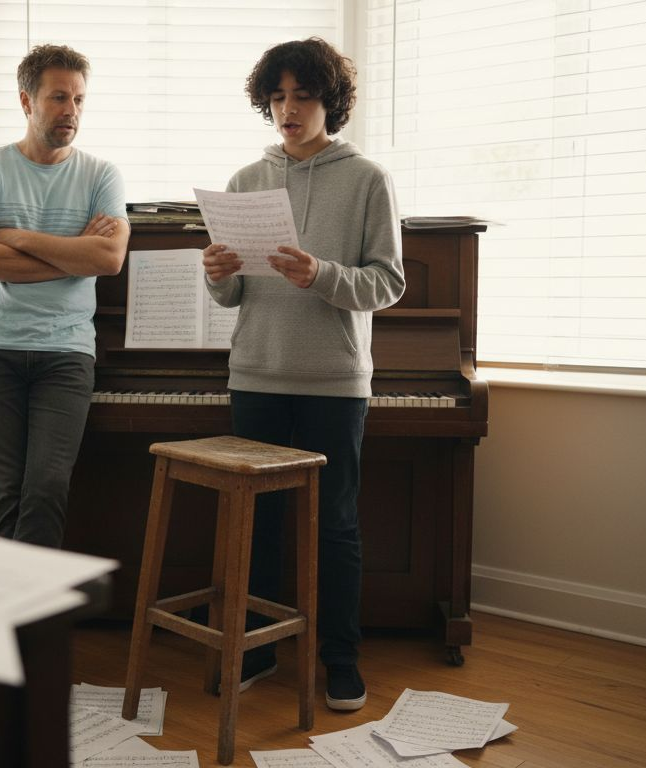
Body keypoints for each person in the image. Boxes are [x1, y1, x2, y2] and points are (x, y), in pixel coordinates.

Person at [202, 37, 405, 711]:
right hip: (255, 373)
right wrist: (218, 277)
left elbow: (390, 282)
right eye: (278, 96)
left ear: (331, 101)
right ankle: (256, 647)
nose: (288, 109)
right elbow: (234, 298)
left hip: (332, 380)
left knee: (337, 526)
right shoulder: (244, 181)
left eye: (304, 95)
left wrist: (321, 274)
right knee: (255, 524)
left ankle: (339, 659)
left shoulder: (367, 179)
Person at [0, 44, 130, 548]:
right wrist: (74, 252)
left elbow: (109, 260)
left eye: (78, 99)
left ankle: (27, 617)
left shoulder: (101, 175)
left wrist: (20, 237)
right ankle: (24, 620)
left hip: (67, 352)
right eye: (58, 98)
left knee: (47, 487)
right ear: (27, 102)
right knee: (8, 492)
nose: (70, 110)